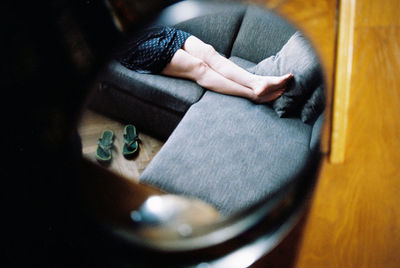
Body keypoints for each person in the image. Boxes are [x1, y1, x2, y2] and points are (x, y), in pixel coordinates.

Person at [118, 26, 293, 103]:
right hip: (132, 45)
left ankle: (256, 81)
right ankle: (254, 95)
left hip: (153, 29)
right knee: (199, 67)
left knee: (209, 51)